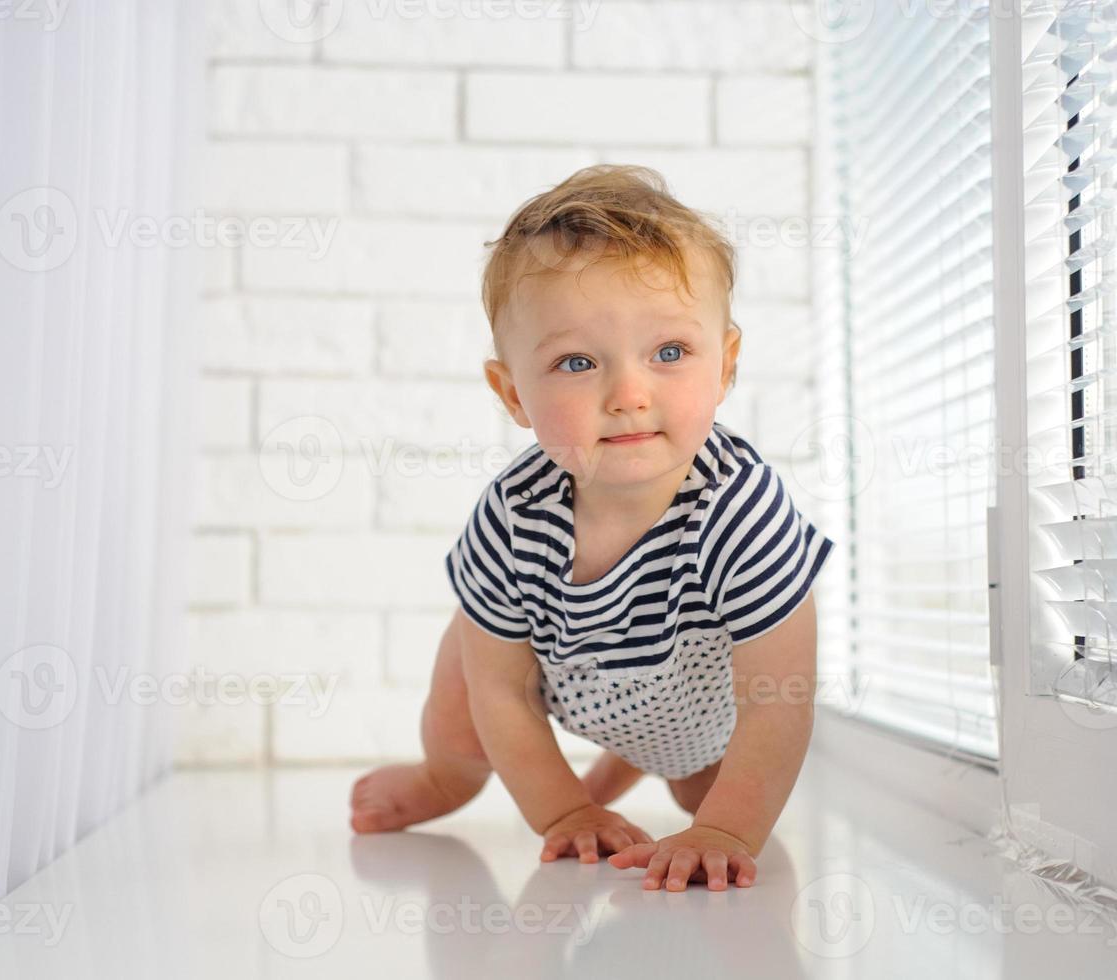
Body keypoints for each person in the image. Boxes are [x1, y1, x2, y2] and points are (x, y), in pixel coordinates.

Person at [349, 164, 834, 892]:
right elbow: (503, 692)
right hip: (558, 676)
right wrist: (564, 813)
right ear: (513, 393)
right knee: (468, 667)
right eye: (577, 363)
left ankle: (635, 773)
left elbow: (778, 695)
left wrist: (724, 830)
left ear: (726, 363)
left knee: (702, 800)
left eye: (668, 353)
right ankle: (444, 778)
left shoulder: (741, 509)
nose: (629, 395)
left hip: (693, 713)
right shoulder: (513, 514)